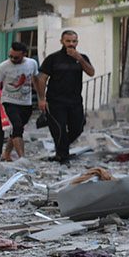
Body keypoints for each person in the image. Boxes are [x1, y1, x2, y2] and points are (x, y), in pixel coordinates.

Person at [38, 30, 95, 164]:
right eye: (68, 41)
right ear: (62, 42)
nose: (71, 44)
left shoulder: (82, 58)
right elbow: (42, 79)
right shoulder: (53, 58)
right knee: (59, 128)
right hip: (56, 101)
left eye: (74, 41)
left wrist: (79, 59)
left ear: (77, 42)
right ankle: (63, 157)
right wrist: (42, 99)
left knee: (78, 127)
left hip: (75, 100)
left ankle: (61, 148)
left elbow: (91, 72)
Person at [0, 42, 41, 162]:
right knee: (17, 127)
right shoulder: (3, 67)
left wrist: (41, 98)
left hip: (26, 102)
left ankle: (6, 154)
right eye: (10, 56)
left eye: (16, 57)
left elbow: (36, 80)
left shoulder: (32, 63)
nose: (13, 59)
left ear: (24, 54)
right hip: (9, 101)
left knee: (17, 129)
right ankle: (22, 158)